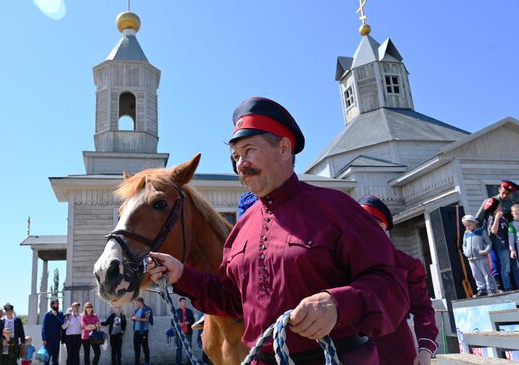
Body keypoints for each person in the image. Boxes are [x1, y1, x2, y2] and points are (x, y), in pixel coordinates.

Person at [147, 96, 409, 364]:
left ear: (283, 148)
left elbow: (392, 286)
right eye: (235, 156)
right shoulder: (241, 231)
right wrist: (181, 275)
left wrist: (337, 304)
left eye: (249, 150)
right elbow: (231, 300)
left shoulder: (338, 209)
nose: (241, 164)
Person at [357, 195, 438, 365]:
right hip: (354, 353)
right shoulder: (343, 262)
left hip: (396, 353)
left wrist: (425, 348)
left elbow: (423, 309)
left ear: (383, 228)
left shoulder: (407, 265)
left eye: (372, 225)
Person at [486, 198, 519, 291]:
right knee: (506, 268)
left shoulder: (503, 217)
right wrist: (497, 218)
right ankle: (508, 287)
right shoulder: (492, 218)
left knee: (515, 267)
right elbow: (493, 231)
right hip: (502, 246)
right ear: (495, 208)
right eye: (499, 206)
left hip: (510, 245)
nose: (501, 207)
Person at [462, 215, 495, 296]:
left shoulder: (481, 231)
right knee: (476, 274)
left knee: (486, 273)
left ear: (474, 223)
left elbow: (488, 242)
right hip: (471, 259)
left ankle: (490, 288)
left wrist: (486, 250)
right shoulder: (466, 234)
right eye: (466, 226)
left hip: (481, 257)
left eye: (469, 225)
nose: (468, 227)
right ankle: (481, 289)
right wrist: (466, 253)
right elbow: (464, 245)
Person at [173, 298, 195, 365]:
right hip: (180, 333)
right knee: (179, 348)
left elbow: (193, 320)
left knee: (189, 347)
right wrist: (178, 324)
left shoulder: (190, 311)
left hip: (188, 332)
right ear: (180, 302)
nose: (184, 303)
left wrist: (189, 322)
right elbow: (172, 321)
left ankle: (190, 362)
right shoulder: (176, 311)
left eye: (185, 302)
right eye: (182, 302)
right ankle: (178, 362)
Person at [41, 299, 64, 365]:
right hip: (48, 340)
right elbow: (44, 328)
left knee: (55, 359)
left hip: (56, 340)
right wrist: (44, 338)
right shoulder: (47, 314)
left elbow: (62, 323)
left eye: (58, 303)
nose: (57, 305)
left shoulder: (60, 314)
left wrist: (56, 316)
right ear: (52, 305)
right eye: (55, 303)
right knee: (46, 359)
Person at [131, 297, 153, 365]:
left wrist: (138, 318)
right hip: (136, 332)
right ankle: (137, 363)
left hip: (143, 331)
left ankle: (147, 363)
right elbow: (136, 318)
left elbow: (147, 319)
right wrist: (133, 318)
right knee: (136, 348)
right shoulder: (137, 310)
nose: (136, 304)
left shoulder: (147, 309)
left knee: (145, 348)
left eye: (137, 302)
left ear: (140, 302)